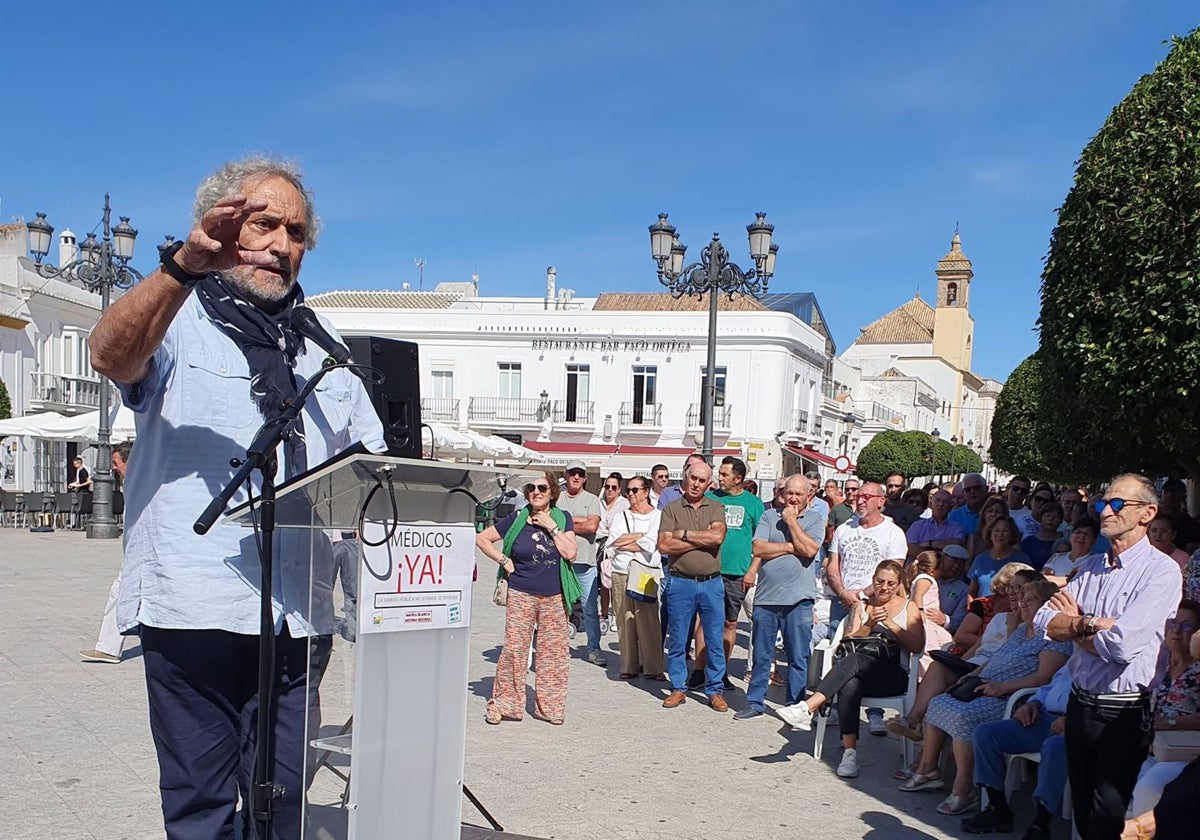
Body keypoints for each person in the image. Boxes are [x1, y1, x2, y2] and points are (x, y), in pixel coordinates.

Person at [89, 157, 387, 839]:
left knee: (283, 803)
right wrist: (182, 266)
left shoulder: (324, 346)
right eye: (265, 224)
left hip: (299, 616)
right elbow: (111, 356)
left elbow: (376, 464)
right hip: (194, 607)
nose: (283, 244)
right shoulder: (176, 317)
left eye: (297, 231)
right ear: (222, 228)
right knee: (201, 804)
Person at [1035, 473, 1183, 840]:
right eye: (1103, 502)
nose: (1105, 510)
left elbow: (1123, 647)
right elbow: (1042, 621)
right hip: (1079, 703)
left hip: (1124, 711)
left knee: (1107, 816)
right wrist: (1091, 623)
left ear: (1148, 513)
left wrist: (1075, 623)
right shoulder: (1089, 567)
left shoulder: (1161, 572)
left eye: (1118, 504)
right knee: (1084, 812)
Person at [899, 579, 1071, 816]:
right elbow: (996, 656)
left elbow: (1044, 678)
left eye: (1029, 600)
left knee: (963, 715)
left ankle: (964, 787)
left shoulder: (1055, 639)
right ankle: (928, 769)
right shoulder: (1022, 629)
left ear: (1046, 605)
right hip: (986, 687)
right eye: (1023, 599)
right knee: (939, 702)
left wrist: (1003, 687)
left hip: (1011, 698)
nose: (1022, 605)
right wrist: (973, 674)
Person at [776, 560, 925, 778]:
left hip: (893, 675)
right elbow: (846, 642)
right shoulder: (862, 606)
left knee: (855, 661)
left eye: (891, 584)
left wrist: (892, 624)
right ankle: (850, 754)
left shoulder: (908, 606)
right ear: (873, 581)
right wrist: (869, 625)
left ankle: (808, 707)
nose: (884, 588)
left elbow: (917, 646)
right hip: (860, 672)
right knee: (850, 684)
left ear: (899, 583)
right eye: (880, 582)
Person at [477, 471, 579, 725]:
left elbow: (571, 553)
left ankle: (550, 708)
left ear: (552, 491)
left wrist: (550, 526)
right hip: (521, 593)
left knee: (553, 653)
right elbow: (482, 539)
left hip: (555, 595)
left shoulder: (562, 518)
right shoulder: (516, 519)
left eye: (542, 487)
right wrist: (504, 560)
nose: (536, 491)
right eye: (531, 487)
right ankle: (505, 704)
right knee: (514, 650)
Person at [736, 473, 825, 720]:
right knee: (762, 655)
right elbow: (758, 548)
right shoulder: (768, 516)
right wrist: (789, 547)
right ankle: (755, 702)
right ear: (782, 494)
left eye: (799, 494)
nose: (793, 498)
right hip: (766, 597)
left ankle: (795, 706)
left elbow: (809, 549)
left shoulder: (816, 519)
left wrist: (793, 523)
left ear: (809, 496)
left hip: (799, 600)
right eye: (789, 493)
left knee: (798, 656)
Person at [826, 480, 909, 735]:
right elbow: (833, 564)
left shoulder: (893, 533)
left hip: (875, 603)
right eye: (858, 495)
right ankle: (836, 706)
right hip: (842, 602)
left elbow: (893, 572)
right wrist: (843, 592)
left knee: (873, 656)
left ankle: (875, 713)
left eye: (866, 496)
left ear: (880, 501)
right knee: (839, 652)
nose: (859, 500)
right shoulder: (844, 528)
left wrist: (861, 595)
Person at [962, 664, 1074, 837]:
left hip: (1077, 725)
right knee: (985, 733)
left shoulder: (1112, 662)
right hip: (1044, 717)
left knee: (1054, 747)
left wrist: (1075, 719)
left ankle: (1041, 825)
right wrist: (1032, 703)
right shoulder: (1077, 657)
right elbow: (1049, 688)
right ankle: (998, 809)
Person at [658, 460, 728, 711]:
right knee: (677, 639)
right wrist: (702, 540)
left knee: (714, 639)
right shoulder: (672, 508)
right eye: (693, 478)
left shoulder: (716, 507)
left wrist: (683, 535)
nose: (696, 484)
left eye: (702, 480)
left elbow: (718, 537)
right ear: (685, 479)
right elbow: (664, 546)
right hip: (680, 583)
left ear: (709, 484)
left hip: (711, 583)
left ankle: (715, 690)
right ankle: (678, 688)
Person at [690, 456, 763, 691]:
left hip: (737, 572)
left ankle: (720, 672)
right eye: (719, 473)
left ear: (738, 478)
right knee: (704, 621)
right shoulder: (710, 499)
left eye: (724, 474)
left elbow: (760, 542)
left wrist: (752, 570)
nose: (719, 478)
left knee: (730, 623)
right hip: (710, 569)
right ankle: (699, 671)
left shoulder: (753, 503)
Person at [1125, 599, 1200, 817]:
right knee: (1112, 781)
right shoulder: (1158, 666)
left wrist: (1170, 723)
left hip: (1184, 752)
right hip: (1149, 749)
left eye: (1187, 626)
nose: (1177, 631)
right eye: (1173, 623)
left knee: (1148, 789)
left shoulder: (1197, 672)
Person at [79, 441, 134, 664]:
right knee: (118, 592)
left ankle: (109, 648)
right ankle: (108, 647)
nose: (113, 468)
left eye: (116, 462)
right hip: (135, 552)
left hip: (142, 553)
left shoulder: (140, 483)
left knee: (119, 592)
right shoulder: (132, 482)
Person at [606, 476, 664, 680]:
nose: (630, 494)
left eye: (634, 490)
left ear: (646, 492)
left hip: (646, 571)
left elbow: (653, 542)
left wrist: (628, 541)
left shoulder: (658, 515)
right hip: (621, 570)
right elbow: (613, 541)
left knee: (648, 619)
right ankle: (628, 665)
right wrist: (640, 536)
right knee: (625, 618)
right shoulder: (621, 515)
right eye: (628, 490)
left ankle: (654, 667)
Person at [557, 460, 605, 666]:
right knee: (559, 608)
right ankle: (558, 648)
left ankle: (593, 648)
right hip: (561, 562)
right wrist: (578, 521)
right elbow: (549, 522)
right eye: (572, 473)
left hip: (586, 564)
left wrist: (565, 523)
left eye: (580, 474)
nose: (576, 477)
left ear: (585, 478)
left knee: (590, 609)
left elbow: (592, 526)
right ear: (566, 475)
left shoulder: (592, 499)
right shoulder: (556, 498)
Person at [905, 550, 955, 673]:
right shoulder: (925, 578)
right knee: (929, 650)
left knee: (948, 642)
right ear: (932, 571)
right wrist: (920, 611)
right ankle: (925, 677)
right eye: (941, 568)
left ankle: (943, 671)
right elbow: (918, 595)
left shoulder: (925, 578)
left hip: (932, 622)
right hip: (926, 621)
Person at [596, 472, 629, 633]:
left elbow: (621, 527)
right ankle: (603, 614)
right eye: (607, 486)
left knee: (615, 583)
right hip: (599, 545)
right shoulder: (598, 502)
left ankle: (616, 614)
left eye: (613, 487)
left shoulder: (624, 504)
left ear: (618, 489)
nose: (609, 490)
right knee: (603, 583)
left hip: (615, 547)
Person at [969, 517, 1030, 598]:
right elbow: (972, 591)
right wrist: (971, 609)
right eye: (996, 530)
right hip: (983, 608)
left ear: (1011, 535)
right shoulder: (980, 559)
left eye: (1005, 531)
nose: (1000, 534)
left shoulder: (1022, 560)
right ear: (990, 534)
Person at [907, 489, 966, 561]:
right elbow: (911, 549)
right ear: (931, 505)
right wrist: (936, 559)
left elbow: (956, 544)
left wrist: (929, 544)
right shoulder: (917, 526)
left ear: (950, 507)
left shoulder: (957, 527)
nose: (940, 504)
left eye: (945, 502)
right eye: (937, 500)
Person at [1044, 517, 1101, 585]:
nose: (1081, 537)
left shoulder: (1095, 561)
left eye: (1086, 534)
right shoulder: (1056, 558)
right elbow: (1043, 579)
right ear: (1071, 535)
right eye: (1078, 532)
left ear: (1094, 540)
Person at [1022, 503, 1065, 572]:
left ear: (1060, 521)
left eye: (1055, 517)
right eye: (1047, 516)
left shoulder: (1065, 543)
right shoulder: (1028, 542)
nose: (1050, 519)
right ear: (1041, 518)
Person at [966, 496, 1010, 561]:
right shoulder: (974, 538)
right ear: (984, 514)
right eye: (990, 511)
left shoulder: (1009, 538)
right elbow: (968, 565)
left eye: (998, 512)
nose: (993, 514)